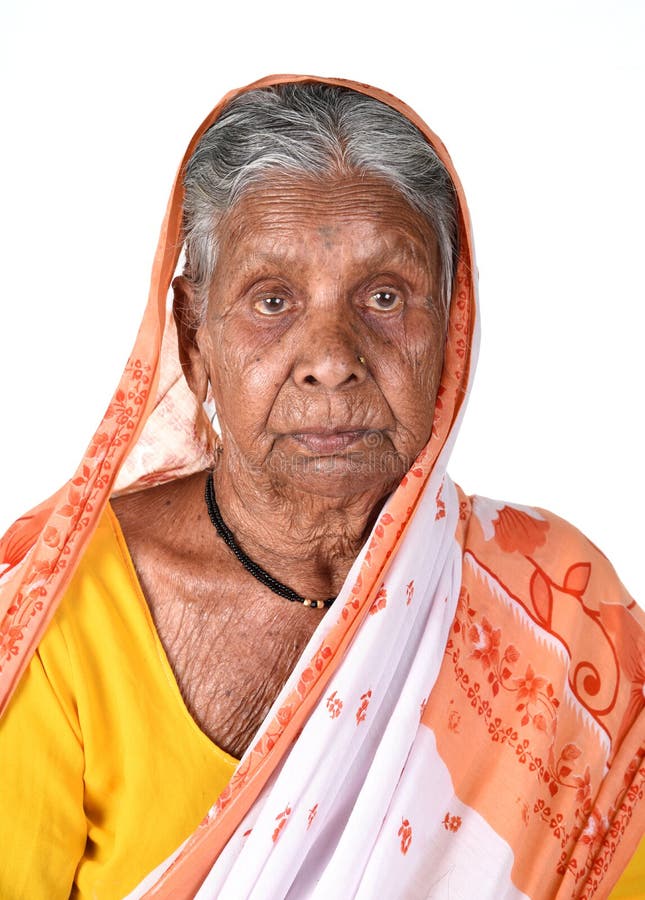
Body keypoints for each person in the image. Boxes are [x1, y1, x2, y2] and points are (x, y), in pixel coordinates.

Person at [0, 75, 642, 900]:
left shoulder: (555, 606)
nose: (331, 355)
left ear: (451, 329)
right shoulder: (59, 614)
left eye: (384, 296)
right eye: (272, 300)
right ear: (195, 341)